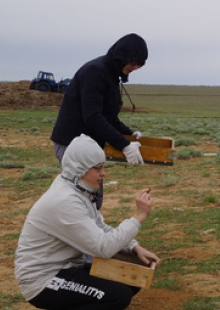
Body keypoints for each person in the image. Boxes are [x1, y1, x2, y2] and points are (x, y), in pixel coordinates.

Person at [14, 134, 160, 310]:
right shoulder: (65, 201)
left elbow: (100, 227)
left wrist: (134, 247)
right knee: (118, 296)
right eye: (98, 168)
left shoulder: (77, 189)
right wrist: (138, 216)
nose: (103, 173)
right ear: (80, 169)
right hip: (42, 279)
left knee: (132, 277)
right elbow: (103, 247)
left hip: (66, 269)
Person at [50, 33, 149, 209]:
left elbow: (108, 117)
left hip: (87, 146)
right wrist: (124, 145)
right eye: (133, 63)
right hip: (71, 145)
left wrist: (128, 134)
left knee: (92, 201)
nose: (135, 68)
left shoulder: (111, 75)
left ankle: (89, 235)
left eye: (139, 66)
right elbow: (93, 116)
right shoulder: (95, 71)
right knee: (83, 203)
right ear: (122, 56)